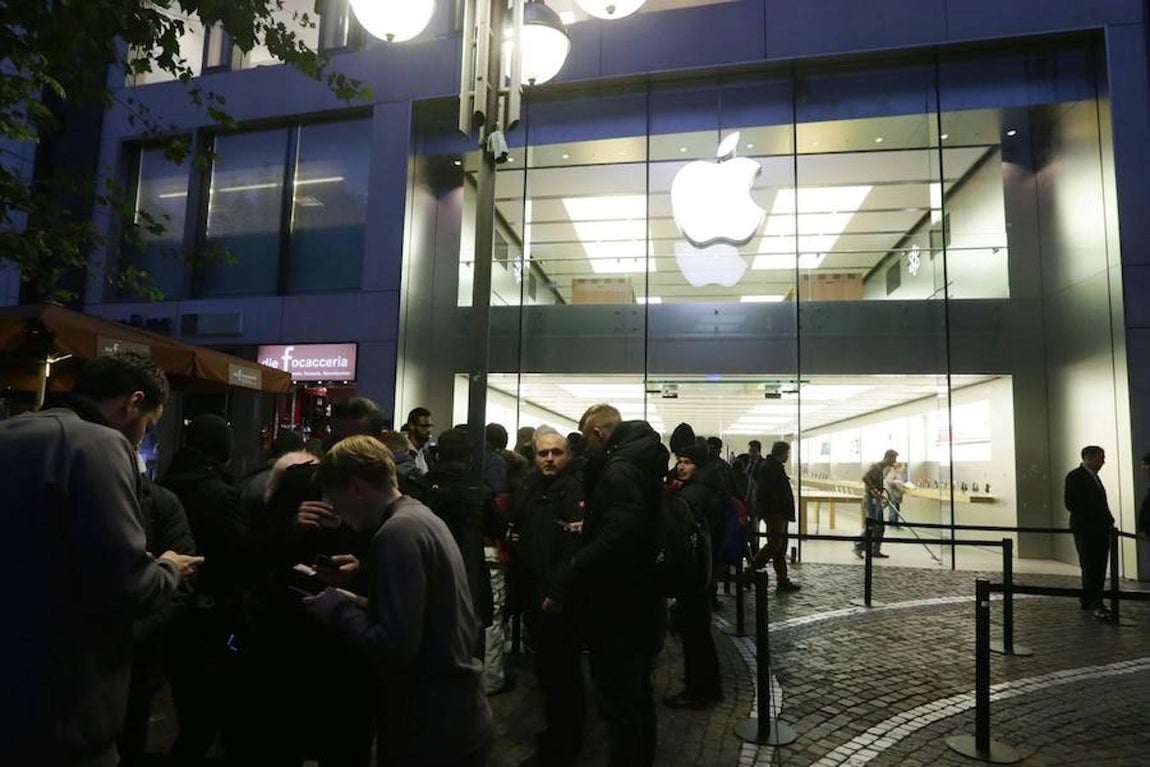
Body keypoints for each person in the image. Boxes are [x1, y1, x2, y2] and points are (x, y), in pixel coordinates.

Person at [0, 351, 202, 766]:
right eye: (147, 426)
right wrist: (168, 568)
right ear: (133, 402)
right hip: (67, 708)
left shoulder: (9, 433)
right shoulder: (100, 444)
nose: (139, 440)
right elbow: (127, 585)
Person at [306, 436, 493, 766]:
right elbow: (427, 613)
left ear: (356, 487)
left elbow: (395, 644)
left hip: (428, 724)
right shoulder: (421, 517)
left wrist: (336, 610)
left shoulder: (396, 533)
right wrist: (359, 601)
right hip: (457, 714)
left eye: (334, 497)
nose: (334, 508)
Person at [567, 403, 667, 767]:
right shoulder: (639, 462)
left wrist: (580, 559)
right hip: (639, 599)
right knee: (637, 694)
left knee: (620, 698)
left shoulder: (619, 469)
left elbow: (619, 534)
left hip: (618, 604)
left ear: (597, 433)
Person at [513, 427, 586, 767]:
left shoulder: (574, 488)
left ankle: (563, 745)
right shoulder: (531, 484)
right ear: (534, 456)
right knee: (550, 670)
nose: (550, 459)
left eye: (557, 452)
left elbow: (575, 548)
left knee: (563, 673)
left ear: (568, 455)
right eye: (543, 453)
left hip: (559, 597)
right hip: (536, 588)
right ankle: (558, 736)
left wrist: (557, 591)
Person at [663, 425, 723, 710]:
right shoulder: (707, 487)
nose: (681, 467)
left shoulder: (691, 496)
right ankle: (709, 686)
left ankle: (697, 689)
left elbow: (680, 538)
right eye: (680, 461)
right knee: (699, 632)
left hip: (693, 573)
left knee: (694, 634)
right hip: (704, 572)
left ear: (698, 466)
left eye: (687, 463)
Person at [1064, 445, 1115, 619]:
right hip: (1087, 529)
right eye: (1100, 458)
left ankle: (1092, 598)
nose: (1103, 462)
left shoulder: (1094, 478)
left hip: (1099, 528)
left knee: (1098, 565)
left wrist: (1108, 519)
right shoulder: (1076, 477)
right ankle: (1093, 600)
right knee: (1091, 564)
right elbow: (1071, 503)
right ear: (1089, 458)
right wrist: (1097, 517)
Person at [751, 441, 801, 592]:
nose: (788, 456)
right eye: (787, 453)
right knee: (775, 545)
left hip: (777, 512)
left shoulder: (771, 467)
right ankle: (753, 568)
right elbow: (771, 493)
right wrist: (778, 510)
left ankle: (782, 579)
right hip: (775, 513)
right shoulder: (771, 468)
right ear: (782, 453)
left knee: (779, 547)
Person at [855, 449, 898, 559]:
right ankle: (858, 546)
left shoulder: (882, 469)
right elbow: (865, 478)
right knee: (873, 525)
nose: (894, 461)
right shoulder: (876, 467)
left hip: (876, 499)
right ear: (888, 457)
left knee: (880, 526)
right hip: (870, 500)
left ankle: (875, 550)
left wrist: (879, 494)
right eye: (894, 458)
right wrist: (874, 489)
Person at [405, 406, 435, 473]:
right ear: (411, 426)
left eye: (430, 426)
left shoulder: (426, 453)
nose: (429, 430)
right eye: (425, 426)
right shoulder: (402, 452)